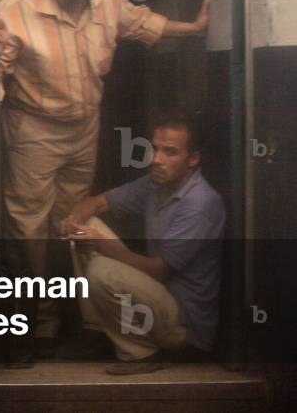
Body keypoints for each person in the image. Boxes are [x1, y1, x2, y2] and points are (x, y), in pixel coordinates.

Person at [0, 0, 210, 362]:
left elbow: (143, 22)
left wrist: (194, 30)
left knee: (69, 223)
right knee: (28, 228)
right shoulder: (15, 10)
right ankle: (36, 324)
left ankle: (82, 319)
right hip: (35, 127)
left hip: (85, 126)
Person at [59, 111, 225, 375]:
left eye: (170, 152)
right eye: (155, 149)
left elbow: (160, 270)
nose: (156, 160)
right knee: (86, 227)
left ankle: (141, 352)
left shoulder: (199, 204)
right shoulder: (154, 185)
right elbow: (98, 202)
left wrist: (101, 245)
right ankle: (97, 330)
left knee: (102, 271)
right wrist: (74, 219)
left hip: (183, 326)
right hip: (158, 297)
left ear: (192, 159)